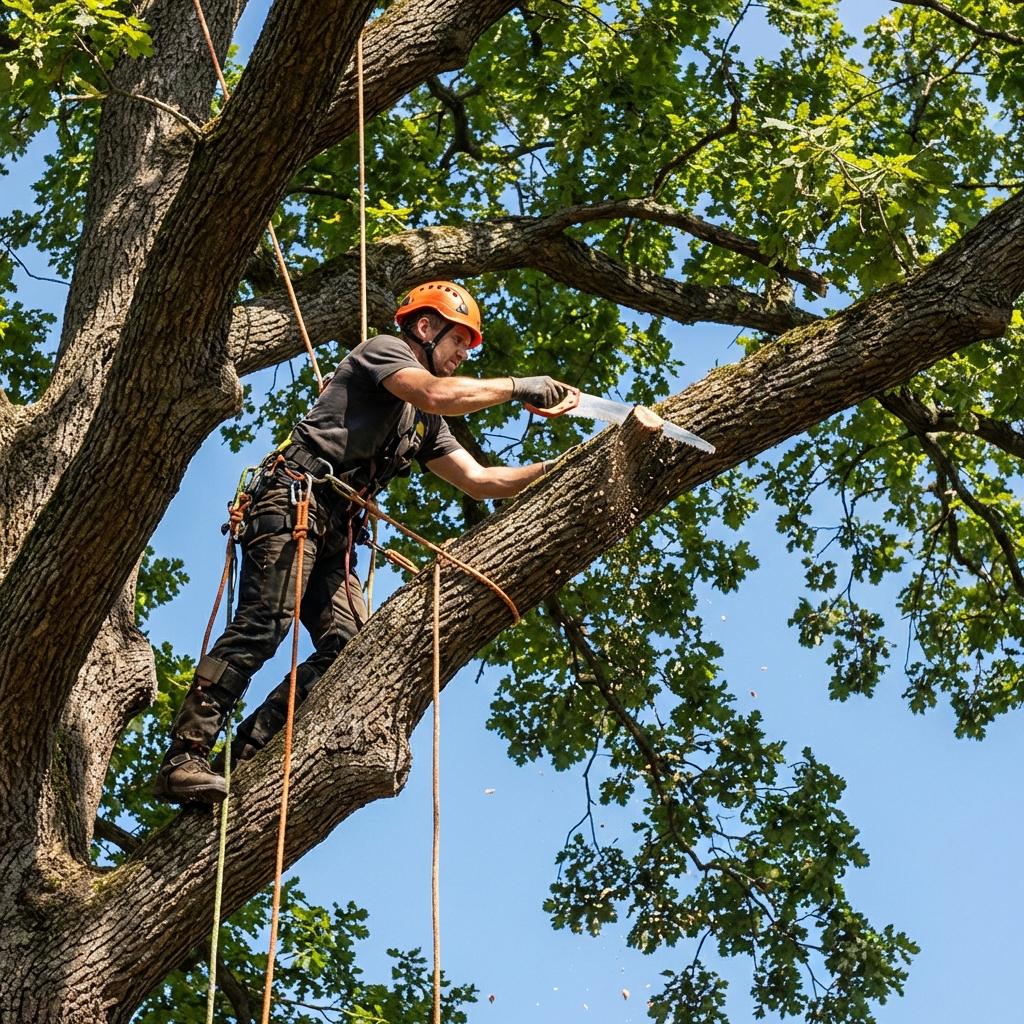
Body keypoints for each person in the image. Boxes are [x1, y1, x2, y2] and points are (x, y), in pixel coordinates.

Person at [154, 280, 571, 804]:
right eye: (459, 340)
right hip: (295, 498)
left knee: (350, 649)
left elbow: (479, 480)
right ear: (425, 328)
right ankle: (184, 756)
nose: (464, 353)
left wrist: (558, 469)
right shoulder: (386, 352)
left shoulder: (426, 421)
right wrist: (517, 386)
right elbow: (434, 392)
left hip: (338, 528)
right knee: (266, 622)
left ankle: (248, 756)